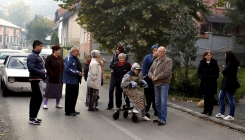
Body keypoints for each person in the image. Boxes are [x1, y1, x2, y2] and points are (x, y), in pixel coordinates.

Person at [148, 46, 172, 126]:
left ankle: (163, 119)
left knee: (163, 102)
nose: (160, 53)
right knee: (157, 102)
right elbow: (150, 71)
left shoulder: (168, 61)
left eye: (162, 51)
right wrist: (151, 76)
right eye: (159, 51)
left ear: (165, 52)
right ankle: (159, 117)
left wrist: (157, 77)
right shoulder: (155, 60)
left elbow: (166, 72)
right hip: (156, 83)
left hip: (164, 83)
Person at [215, 51, 240, 120]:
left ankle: (231, 115)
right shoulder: (232, 63)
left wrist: (223, 70)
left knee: (230, 98)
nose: (225, 56)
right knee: (221, 96)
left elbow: (225, 72)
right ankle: (221, 113)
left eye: (225, 55)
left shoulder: (231, 63)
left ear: (228, 55)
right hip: (226, 83)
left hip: (229, 83)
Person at [27, 40, 45, 125]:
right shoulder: (32, 56)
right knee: (36, 98)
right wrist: (42, 71)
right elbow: (31, 68)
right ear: (36, 46)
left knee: (37, 98)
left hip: (38, 79)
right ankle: (32, 117)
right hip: (35, 79)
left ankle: (34, 116)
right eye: (40, 46)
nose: (41, 48)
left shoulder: (37, 55)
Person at [197, 50, 219, 116]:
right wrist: (202, 77)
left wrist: (213, 77)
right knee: (206, 97)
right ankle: (205, 110)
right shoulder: (202, 62)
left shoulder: (214, 62)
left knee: (211, 97)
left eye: (210, 55)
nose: (209, 56)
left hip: (212, 83)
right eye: (208, 55)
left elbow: (217, 72)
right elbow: (199, 72)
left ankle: (210, 111)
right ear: (205, 56)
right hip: (204, 82)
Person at [63, 46, 83, 116]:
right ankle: (68, 111)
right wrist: (77, 72)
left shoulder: (74, 58)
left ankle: (72, 109)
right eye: (77, 51)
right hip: (70, 81)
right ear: (73, 51)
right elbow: (68, 69)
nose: (78, 52)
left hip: (75, 80)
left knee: (74, 96)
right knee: (70, 96)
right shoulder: (69, 58)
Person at [43, 45, 64, 109]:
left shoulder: (60, 58)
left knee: (58, 90)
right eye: (58, 50)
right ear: (54, 51)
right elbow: (46, 66)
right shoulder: (50, 58)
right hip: (52, 77)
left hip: (59, 76)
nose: (59, 51)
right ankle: (45, 104)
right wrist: (51, 73)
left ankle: (58, 103)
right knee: (49, 90)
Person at [106, 45, 128, 110]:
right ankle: (110, 105)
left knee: (118, 92)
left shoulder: (125, 55)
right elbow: (111, 64)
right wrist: (116, 66)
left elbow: (123, 64)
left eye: (117, 49)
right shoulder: (114, 55)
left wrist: (117, 66)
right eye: (116, 49)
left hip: (121, 76)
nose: (116, 50)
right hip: (113, 74)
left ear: (120, 50)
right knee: (111, 90)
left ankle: (119, 106)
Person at [142, 45, 158, 116]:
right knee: (148, 94)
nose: (155, 50)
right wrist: (145, 76)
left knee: (154, 94)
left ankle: (154, 107)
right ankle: (145, 107)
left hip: (156, 79)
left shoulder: (159, 59)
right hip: (148, 78)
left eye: (156, 49)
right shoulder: (148, 57)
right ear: (152, 50)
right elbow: (145, 67)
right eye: (154, 49)